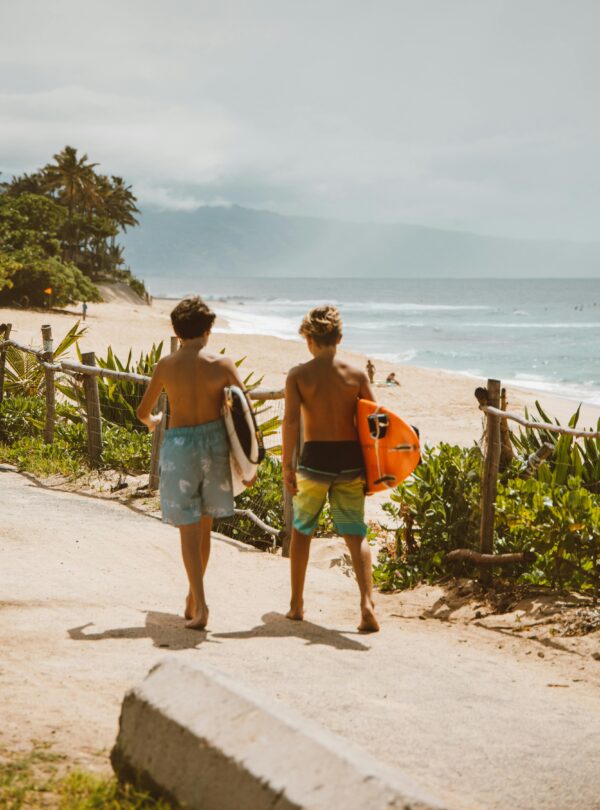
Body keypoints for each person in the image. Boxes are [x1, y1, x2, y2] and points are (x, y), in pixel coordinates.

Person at [136, 296, 246, 630]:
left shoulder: (166, 365)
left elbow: (143, 411)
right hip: (214, 445)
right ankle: (193, 598)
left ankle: (201, 605)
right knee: (205, 526)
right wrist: (248, 465)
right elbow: (245, 416)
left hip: (180, 446)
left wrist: (154, 420)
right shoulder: (223, 365)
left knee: (187, 527)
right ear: (209, 328)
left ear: (176, 330)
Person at [282, 305, 380, 632]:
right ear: (339, 337)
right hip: (351, 460)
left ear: (309, 339)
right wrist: (374, 467)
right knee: (354, 532)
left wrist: (287, 465)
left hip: (315, 459)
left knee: (302, 530)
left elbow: (292, 422)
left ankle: (296, 604)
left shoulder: (299, 375)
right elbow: (375, 422)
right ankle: (367, 602)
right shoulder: (356, 375)